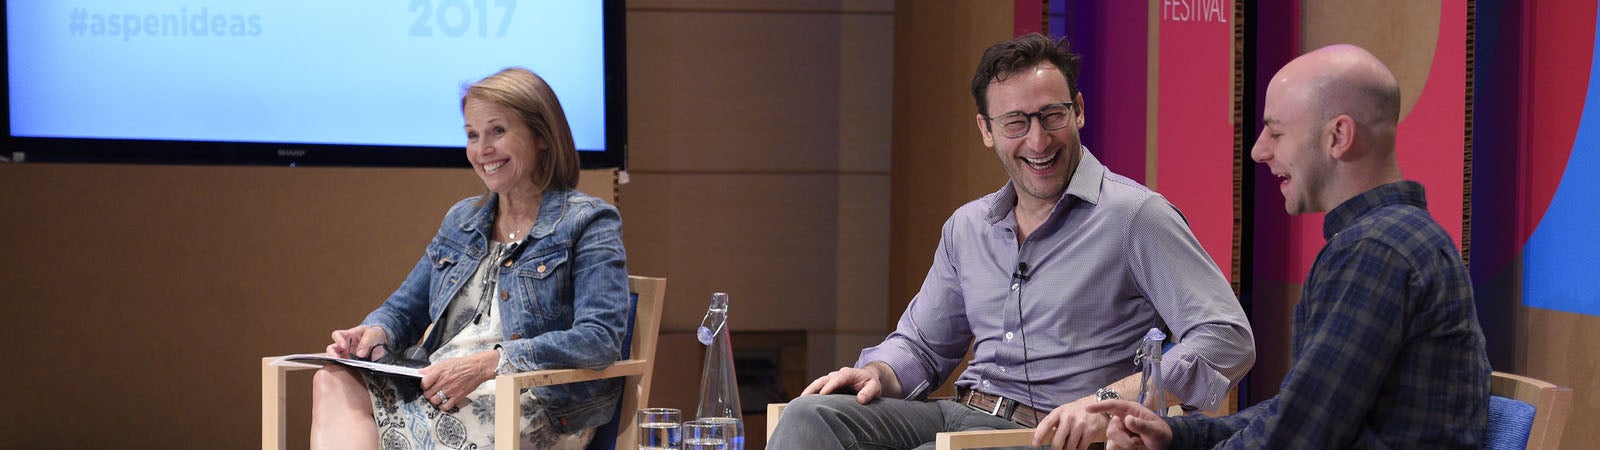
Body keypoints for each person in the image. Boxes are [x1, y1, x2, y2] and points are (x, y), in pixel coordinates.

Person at [768, 33, 1256, 450]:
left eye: (1052, 116)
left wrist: (1108, 401)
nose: (1038, 141)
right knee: (811, 417)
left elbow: (1227, 339)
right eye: (1016, 123)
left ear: (1078, 111)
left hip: (1052, 435)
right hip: (962, 413)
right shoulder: (968, 226)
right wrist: (878, 372)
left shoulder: (1135, 216)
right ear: (986, 129)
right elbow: (922, 347)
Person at [1088, 44, 1491, 449]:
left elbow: (1298, 435)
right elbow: (1297, 411)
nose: (1259, 151)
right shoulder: (1387, 241)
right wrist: (1178, 436)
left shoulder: (1376, 251)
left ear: (1338, 136)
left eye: (1276, 132)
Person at [308, 67, 631, 450]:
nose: (482, 150)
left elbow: (599, 338)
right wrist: (373, 334)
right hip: (441, 387)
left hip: (532, 400)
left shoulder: (588, 221)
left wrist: (490, 363)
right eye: (473, 135)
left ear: (542, 136)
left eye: (497, 131)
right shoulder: (462, 220)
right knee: (332, 379)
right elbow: (404, 311)